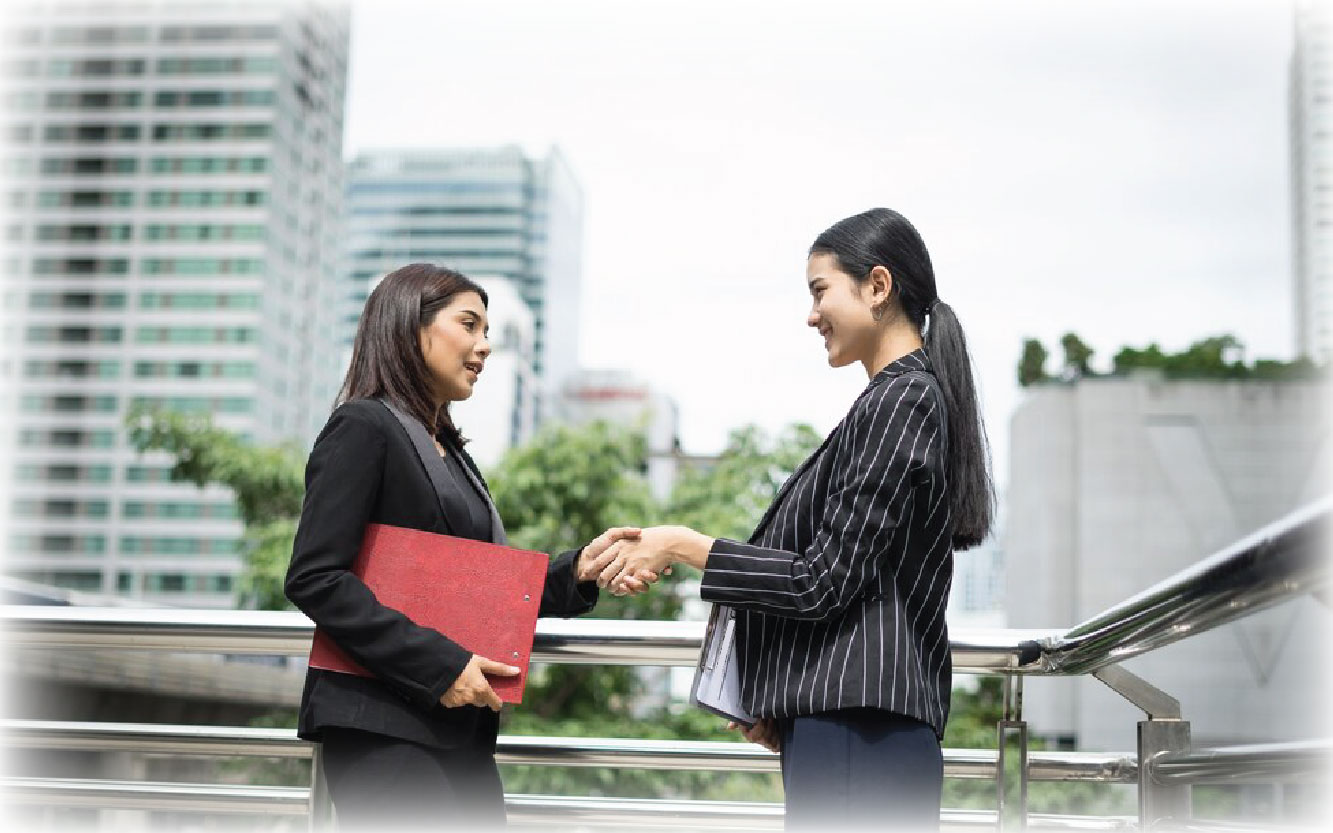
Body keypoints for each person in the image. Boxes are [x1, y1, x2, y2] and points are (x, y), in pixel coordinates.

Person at [599, 208, 994, 832]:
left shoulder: (900, 400)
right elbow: (860, 585)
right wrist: (786, 696)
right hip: (856, 733)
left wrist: (680, 544)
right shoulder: (898, 399)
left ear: (878, 287)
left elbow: (820, 580)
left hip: (861, 736)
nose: (812, 316)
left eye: (820, 291)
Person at [283, 262, 638, 831]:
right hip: (384, 729)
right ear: (408, 327)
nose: (485, 346)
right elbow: (315, 577)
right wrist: (441, 666)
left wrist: (579, 573)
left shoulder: (449, 449)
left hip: (456, 730)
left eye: (487, 331)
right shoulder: (364, 426)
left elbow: (477, 588)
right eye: (469, 325)